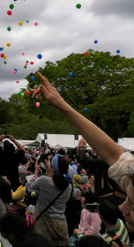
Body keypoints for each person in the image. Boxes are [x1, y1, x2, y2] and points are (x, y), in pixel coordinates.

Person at [32, 72, 134, 232]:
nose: (122, 208)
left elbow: (89, 159)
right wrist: (61, 105)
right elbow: (114, 154)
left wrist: (80, 147)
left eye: (133, 204)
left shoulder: (98, 164)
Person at [26, 153, 73, 246]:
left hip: (44, 222)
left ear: (52, 168)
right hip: (61, 223)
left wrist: (36, 171)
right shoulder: (69, 186)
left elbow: (28, 188)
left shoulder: (43, 180)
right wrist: (50, 171)